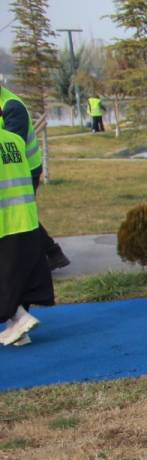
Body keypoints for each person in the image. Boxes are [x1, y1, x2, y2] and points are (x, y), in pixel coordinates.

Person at [0, 81, 69, 271]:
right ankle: (51, 253)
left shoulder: (11, 106)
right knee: (18, 215)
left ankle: (48, 255)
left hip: (22, 171)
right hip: (9, 169)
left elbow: (13, 146)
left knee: (19, 215)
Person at [0, 126, 53, 347]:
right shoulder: (14, 140)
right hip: (26, 220)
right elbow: (34, 171)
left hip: (4, 223)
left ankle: (20, 318)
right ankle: (18, 328)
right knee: (16, 277)